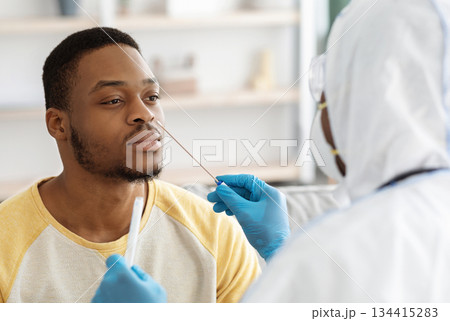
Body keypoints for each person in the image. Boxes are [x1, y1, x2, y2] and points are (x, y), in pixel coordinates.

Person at [91, 0, 450, 303]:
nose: (144, 113)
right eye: (112, 99)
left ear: (359, 104)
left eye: (325, 98)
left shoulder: (335, 252)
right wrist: (280, 250)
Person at [0, 27, 260, 303]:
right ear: (58, 124)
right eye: (113, 100)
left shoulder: (216, 235)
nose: (144, 114)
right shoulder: (6, 244)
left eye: (152, 97)